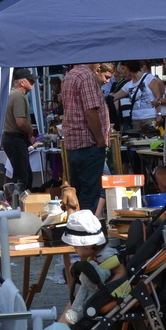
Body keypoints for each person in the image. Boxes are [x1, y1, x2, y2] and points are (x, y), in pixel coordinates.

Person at [59, 61, 109, 216]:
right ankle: (86, 233)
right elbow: (90, 111)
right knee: (89, 194)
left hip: (75, 143)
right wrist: (100, 139)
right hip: (88, 143)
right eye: (98, 62)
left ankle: (78, 230)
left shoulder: (70, 75)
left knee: (78, 192)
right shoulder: (86, 76)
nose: (99, 67)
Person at [1, 70, 35, 185]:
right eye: (30, 80)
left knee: (21, 174)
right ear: (22, 82)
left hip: (10, 138)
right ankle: (20, 201)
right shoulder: (19, 96)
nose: (33, 82)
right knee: (23, 178)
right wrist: (30, 132)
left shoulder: (11, 94)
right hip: (15, 138)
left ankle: (18, 199)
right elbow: (20, 122)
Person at [115, 60, 162, 133]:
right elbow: (115, 97)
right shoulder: (129, 84)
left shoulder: (149, 78)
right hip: (135, 119)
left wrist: (159, 114)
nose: (123, 72)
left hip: (150, 117)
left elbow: (158, 98)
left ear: (129, 67)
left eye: (124, 68)